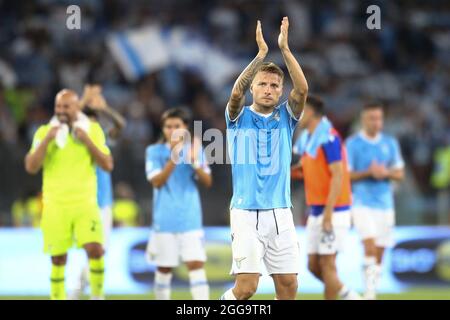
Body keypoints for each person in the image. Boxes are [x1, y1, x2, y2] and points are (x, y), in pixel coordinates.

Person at [221, 17, 307, 300]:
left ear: (280, 91)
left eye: (274, 85)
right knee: (247, 288)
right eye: (262, 84)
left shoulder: (286, 117)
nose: (268, 89)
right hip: (246, 213)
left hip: (281, 211)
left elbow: (303, 90)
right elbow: (235, 93)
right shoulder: (238, 117)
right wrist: (259, 56)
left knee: (289, 285)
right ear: (253, 88)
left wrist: (284, 48)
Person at [25, 89, 113, 300]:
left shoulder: (92, 130)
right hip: (55, 206)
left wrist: (87, 141)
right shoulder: (44, 132)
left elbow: (108, 164)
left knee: (96, 250)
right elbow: (31, 166)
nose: (62, 111)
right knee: (57, 259)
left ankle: (97, 296)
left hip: (85, 204)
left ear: (76, 108)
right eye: (58, 107)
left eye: (66, 106)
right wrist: (47, 140)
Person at [293, 95, 361, 300]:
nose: (298, 115)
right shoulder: (308, 138)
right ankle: (351, 297)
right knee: (313, 265)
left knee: (327, 264)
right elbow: (311, 168)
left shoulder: (329, 137)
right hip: (315, 210)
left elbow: (338, 174)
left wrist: (329, 214)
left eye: (302, 110)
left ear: (312, 112)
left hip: (333, 210)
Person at [145, 107, 212, 300]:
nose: (172, 130)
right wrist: (175, 155)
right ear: (162, 129)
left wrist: (195, 162)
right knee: (164, 269)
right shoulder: (154, 151)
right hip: (164, 220)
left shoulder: (195, 151)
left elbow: (207, 182)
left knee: (196, 264)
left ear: (185, 128)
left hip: (190, 218)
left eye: (177, 126)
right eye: (168, 126)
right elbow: (157, 181)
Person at [70, 85, 126, 299]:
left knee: (101, 250)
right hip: (85, 201)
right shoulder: (76, 141)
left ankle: (80, 286)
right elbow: (70, 118)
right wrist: (83, 101)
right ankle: (86, 290)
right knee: (90, 248)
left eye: (96, 121)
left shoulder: (101, 137)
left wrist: (104, 109)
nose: (94, 124)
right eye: (90, 120)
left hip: (105, 203)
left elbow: (120, 124)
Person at [346, 102, 404, 299]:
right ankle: (369, 294)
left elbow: (399, 173)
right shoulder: (353, 144)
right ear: (363, 120)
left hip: (386, 204)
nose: (376, 122)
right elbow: (347, 175)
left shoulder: (390, 143)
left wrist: (384, 172)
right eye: (371, 118)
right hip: (362, 202)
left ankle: (372, 289)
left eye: (378, 118)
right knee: (369, 245)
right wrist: (368, 173)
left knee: (379, 252)